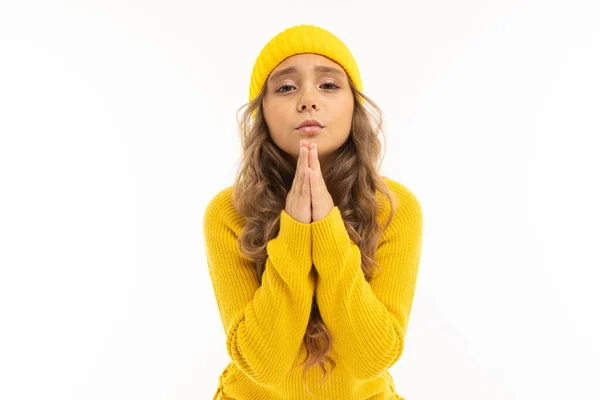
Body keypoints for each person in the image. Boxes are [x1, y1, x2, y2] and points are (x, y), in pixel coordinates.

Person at [203, 24, 423, 400]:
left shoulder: (395, 208)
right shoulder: (229, 212)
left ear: (354, 107)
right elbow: (263, 366)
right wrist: (294, 234)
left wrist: (325, 231)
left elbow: (372, 359)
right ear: (262, 114)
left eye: (329, 85)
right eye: (286, 87)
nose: (307, 99)